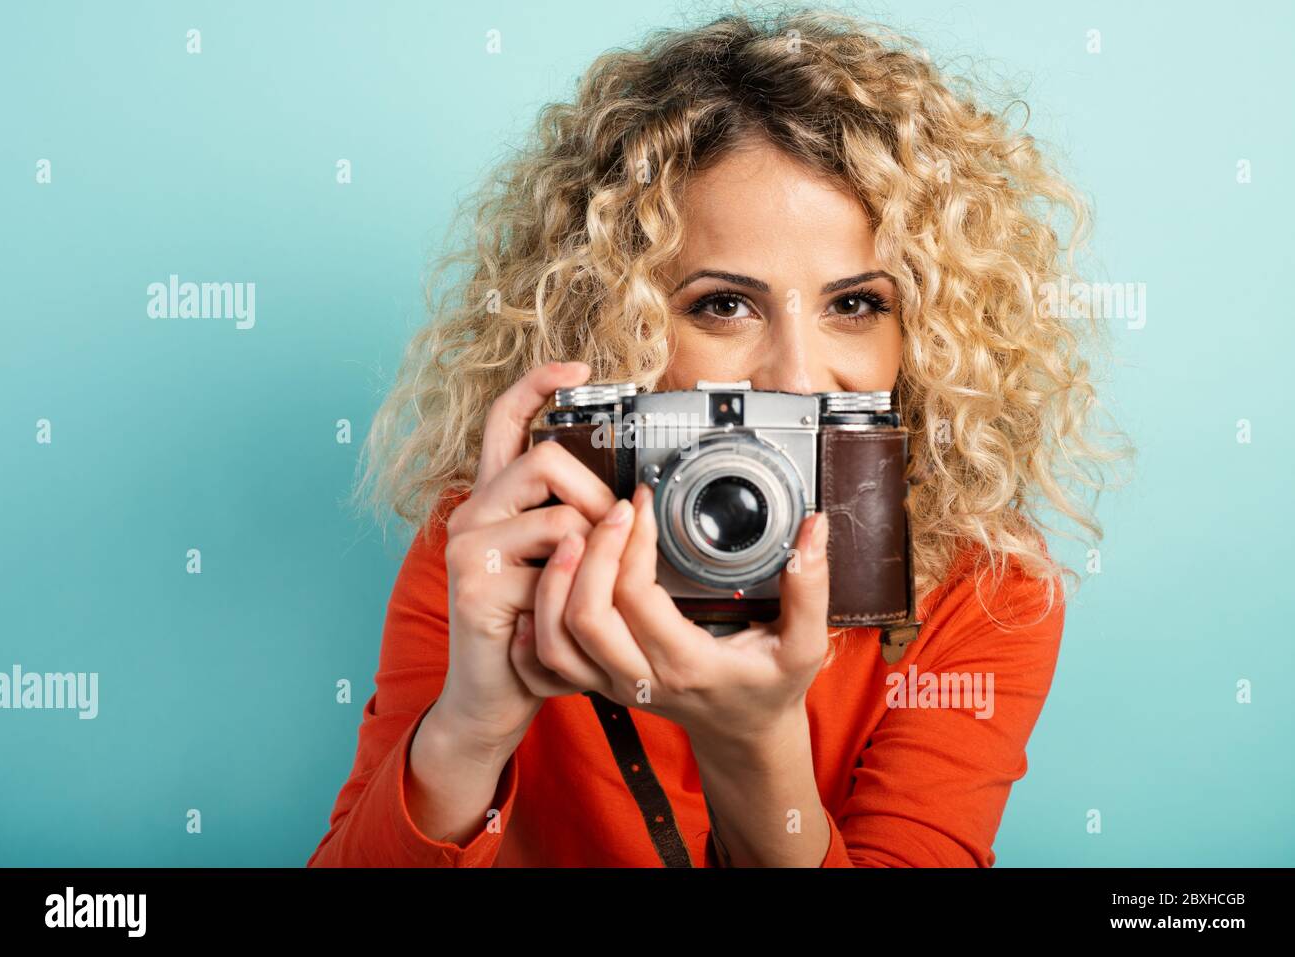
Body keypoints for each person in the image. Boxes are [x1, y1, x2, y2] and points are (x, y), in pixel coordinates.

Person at [308, 8, 1129, 867]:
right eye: (723, 304)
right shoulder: (501, 545)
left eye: (856, 304)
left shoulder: (986, 587)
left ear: (919, 332)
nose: (799, 376)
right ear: (616, 324)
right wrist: (469, 731)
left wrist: (754, 745)